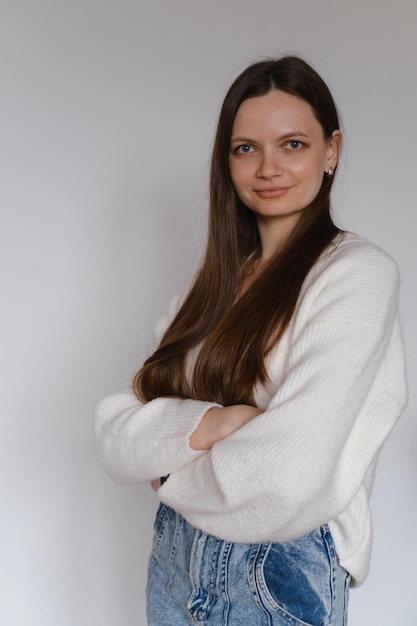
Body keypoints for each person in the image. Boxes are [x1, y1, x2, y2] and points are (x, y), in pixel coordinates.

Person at [94, 55, 407, 625]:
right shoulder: (213, 282)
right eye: (246, 148)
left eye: (293, 144)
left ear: (331, 151)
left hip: (278, 568)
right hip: (174, 557)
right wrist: (212, 425)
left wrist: (166, 467)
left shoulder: (357, 273)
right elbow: (114, 431)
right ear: (227, 160)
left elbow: (287, 478)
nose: (268, 168)